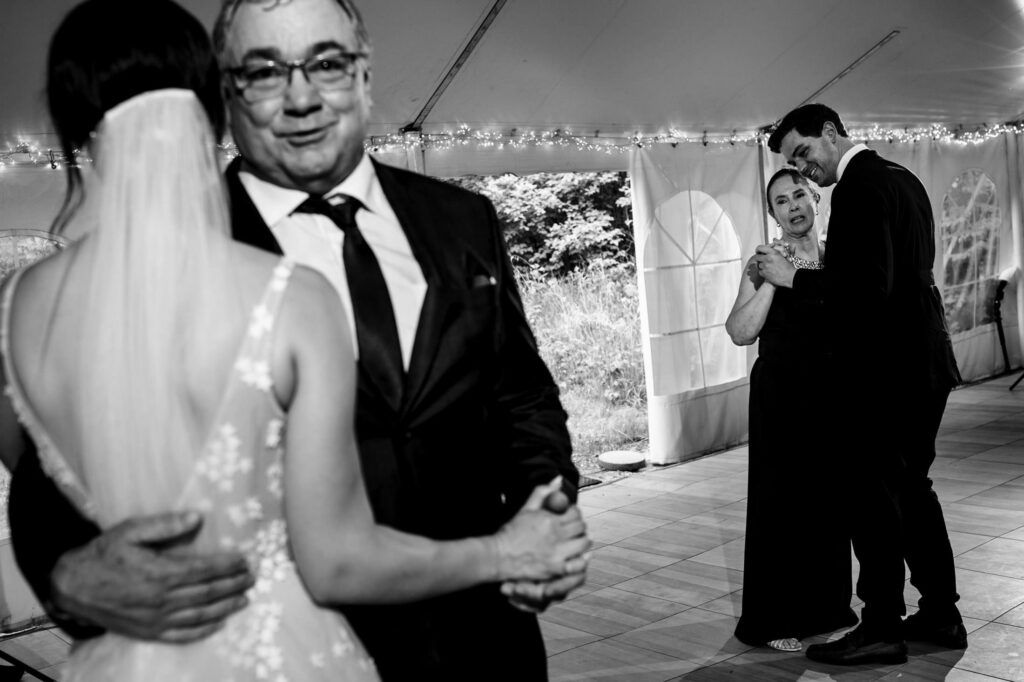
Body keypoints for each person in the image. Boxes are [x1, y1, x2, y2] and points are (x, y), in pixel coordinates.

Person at [6, 0, 588, 679]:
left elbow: (520, 393)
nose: (302, 98)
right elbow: (53, 474)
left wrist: (545, 510)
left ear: (365, 76)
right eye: (264, 71)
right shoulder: (162, 252)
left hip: (484, 641)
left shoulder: (464, 219)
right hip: (295, 642)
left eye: (328, 64)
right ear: (224, 94)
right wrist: (66, 576)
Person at [755, 103, 964, 666]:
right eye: (793, 162)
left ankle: (880, 629)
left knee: (874, 501)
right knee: (913, 490)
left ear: (830, 132)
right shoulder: (903, 177)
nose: (806, 169)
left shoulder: (859, 188)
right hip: (926, 358)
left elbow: (865, 290)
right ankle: (941, 613)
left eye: (804, 153)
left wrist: (792, 278)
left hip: (889, 371)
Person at [727, 168, 857, 653]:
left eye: (799, 194)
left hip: (832, 393)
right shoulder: (761, 261)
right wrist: (774, 281)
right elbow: (740, 332)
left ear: (815, 197)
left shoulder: (838, 258)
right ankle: (774, 615)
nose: (793, 205)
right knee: (780, 503)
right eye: (781, 201)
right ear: (773, 213)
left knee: (829, 501)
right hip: (780, 396)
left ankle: (826, 608)